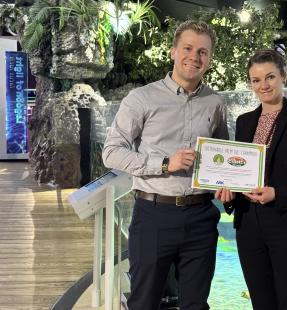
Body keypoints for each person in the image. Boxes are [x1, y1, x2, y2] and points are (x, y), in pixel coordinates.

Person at [102, 20, 229, 310]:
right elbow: (111, 152)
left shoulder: (215, 104)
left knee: (196, 305)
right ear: (173, 51)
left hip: (201, 217)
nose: (194, 57)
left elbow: (221, 157)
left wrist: (227, 184)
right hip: (153, 215)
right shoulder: (141, 98)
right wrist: (164, 164)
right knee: (144, 302)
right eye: (187, 48)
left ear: (209, 59)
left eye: (203, 52)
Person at [215, 49, 287, 310]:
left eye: (270, 77)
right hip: (248, 228)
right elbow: (237, 171)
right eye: (256, 80)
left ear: (283, 77)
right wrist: (228, 192)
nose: (263, 85)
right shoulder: (244, 122)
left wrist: (278, 193)